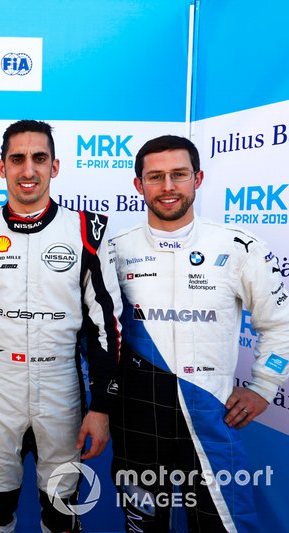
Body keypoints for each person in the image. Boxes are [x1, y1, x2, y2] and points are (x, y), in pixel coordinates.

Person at [109, 135, 289, 532]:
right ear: (138, 185)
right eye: (155, 177)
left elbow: (282, 324)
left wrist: (264, 385)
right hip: (137, 418)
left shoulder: (239, 247)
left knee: (223, 525)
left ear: (198, 178)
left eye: (179, 175)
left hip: (211, 416)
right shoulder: (114, 250)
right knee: (142, 526)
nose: (168, 187)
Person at [0, 120, 122, 533]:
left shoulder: (87, 230)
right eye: (18, 159)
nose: (28, 170)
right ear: (1, 167)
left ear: (55, 167)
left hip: (61, 383)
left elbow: (106, 328)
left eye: (39, 159)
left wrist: (101, 407)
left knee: (61, 510)